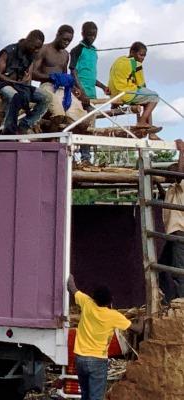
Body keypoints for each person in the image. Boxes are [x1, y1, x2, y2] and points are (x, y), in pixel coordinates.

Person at [67, 275, 140, 400]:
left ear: (93, 298)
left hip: (80, 358)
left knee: (85, 395)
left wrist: (69, 275)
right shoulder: (114, 316)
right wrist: (143, 320)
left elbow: (72, 288)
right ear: (111, 300)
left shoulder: (87, 303)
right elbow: (137, 329)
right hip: (97, 360)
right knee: (95, 397)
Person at [0, 30, 50, 135]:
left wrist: (26, 82)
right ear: (28, 41)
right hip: (0, 83)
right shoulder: (9, 51)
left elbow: (28, 75)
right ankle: (8, 131)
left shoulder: (31, 55)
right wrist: (14, 82)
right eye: (35, 47)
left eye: (39, 48)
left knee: (46, 97)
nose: (37, 50)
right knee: (14, 96)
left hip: (19, 85)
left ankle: (25, 125)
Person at [32, 25, 90, 130]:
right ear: (58, 35)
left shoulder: (66, 55)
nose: (67, 43)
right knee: (58, 114)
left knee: (82, 119)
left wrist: (74, 89)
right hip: (47, 86)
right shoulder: (44, 49)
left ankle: (69, 142)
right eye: (65, 39)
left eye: (69, 41)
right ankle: (51, 140)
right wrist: (52, 78)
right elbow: (33, 73)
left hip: (63, 89)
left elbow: (65, 77)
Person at [69, 21, 109, 164]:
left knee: (89, 128)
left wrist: (103, 87)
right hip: (78, 96)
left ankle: (86, 158)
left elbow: (90, 75)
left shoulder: (94, 51)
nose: (92, 37)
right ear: (83, 34)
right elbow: (73, 71)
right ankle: (71, 158)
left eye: (94, 35)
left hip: (92, 96)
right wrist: (81, 91)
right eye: (90, 35)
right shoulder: (77, 50)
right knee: (74, 125)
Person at [108, 41, 160, 127]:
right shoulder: (136, 64)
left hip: (114, 94)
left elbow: (112, 75)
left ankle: (150, 132)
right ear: (132, 52)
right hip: (126, 94)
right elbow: (142, 85)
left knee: (147, 98)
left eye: (144, 56)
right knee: (154, 97)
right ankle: (142, 122)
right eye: (141, 55)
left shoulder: (119, 60)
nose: (142, 58)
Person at [161, 139, 184, 300]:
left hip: (179, 233)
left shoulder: (182, 185)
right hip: (172, 234)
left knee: (179, 270)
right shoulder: (172, 190)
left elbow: (179, 173)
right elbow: (166, 199)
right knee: (161, 267)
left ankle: (181, 303)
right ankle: (168, 298)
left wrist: (182, 152)